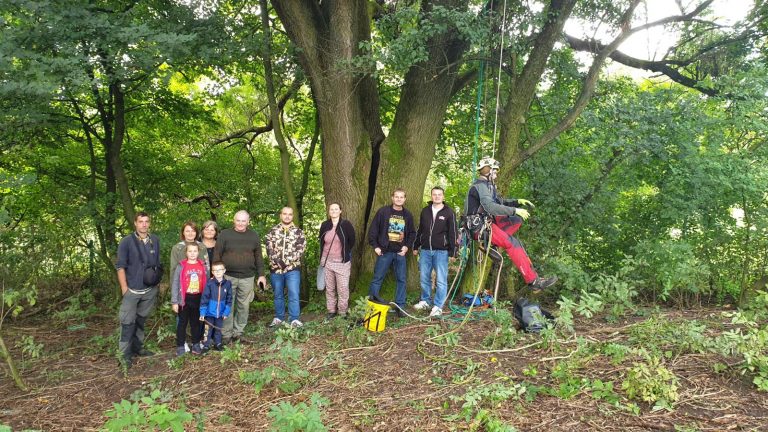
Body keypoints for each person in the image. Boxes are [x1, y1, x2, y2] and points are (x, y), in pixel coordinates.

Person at [464, 156, 557, 291]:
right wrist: (515, 210)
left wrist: (517, 202)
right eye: (495, 172)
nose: (496, 175)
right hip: (479, 228)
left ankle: (492, 245)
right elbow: (491, 207)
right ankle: (533, 282)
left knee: (516, 220)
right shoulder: (480, 187)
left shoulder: (488, 186)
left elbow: (499, 202)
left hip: (486, 223)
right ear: (488, 171)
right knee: (513, 243)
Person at [213, 210, 267, 344]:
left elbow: (258, 257)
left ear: (248, 222)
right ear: (234, 220)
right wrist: (216, 273)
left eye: (243, 221)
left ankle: (238, 333)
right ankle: (226, 335)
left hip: (247, 277)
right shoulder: (225, 234)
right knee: (227, 305)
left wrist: (261, 275)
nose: (241, 223)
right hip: (227, 276)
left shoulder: (253, 236)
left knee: (244, 306)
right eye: (238, 220)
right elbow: (217, 254)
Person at [116, 212, 160, 368]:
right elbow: (120, 267)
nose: (144, 224)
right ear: (135, 223)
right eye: (141, 221)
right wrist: (124, 288)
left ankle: (138, 348)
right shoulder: (126, 242)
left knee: (141, 320)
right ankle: (124, 356)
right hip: (132, 290)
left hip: (149, 290)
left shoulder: (154, 240)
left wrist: (156, 284)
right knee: (127, 323)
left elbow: (156, 264)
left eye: (146, 221)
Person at [367, 188, 416, 317]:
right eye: (396, 196)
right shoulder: (383, 212)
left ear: (405, 199)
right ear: (392, 198)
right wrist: (376, 246)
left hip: (400, 253)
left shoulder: (407, 215)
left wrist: (406, 247)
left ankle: (400, 307)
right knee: (377, 278)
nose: (399, 199)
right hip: (385, 252)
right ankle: (372, 305)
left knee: (402, 279)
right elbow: (373, 230)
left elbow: (412, 233)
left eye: (401, 197)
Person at [413, 186, 458, 317]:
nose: (437, 196)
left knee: (441, 280)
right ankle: (425, 301)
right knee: (424, 277)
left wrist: (453, 251)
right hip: (425, 250)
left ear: (443, 196)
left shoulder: (449, 212)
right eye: (434, 194)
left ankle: (438, 306)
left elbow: (453, 233)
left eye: (439, 194)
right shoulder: (425, 211)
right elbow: (420, 230)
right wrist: (415, 246)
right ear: (431, 196)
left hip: (441, 251)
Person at [265, 207, 307, 328]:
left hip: (292, 269)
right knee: (278, 294)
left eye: (290, 214)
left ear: (292, 216)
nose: (287, 216)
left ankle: (294, 319)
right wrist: (278, 261)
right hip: (276, 269)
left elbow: (300, 250)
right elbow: (269, 248)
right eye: (285, 214)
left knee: (293, 293)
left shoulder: (298, 232)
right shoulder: (272, 231)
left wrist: (286, 262)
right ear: (280, 215)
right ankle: (279, 318)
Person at [318, 203, 356, 320]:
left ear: (340, 211)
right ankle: (331, 310)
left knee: (343, 288)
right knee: (330, 288)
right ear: (329, 211)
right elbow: (321, 241)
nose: (334, 211)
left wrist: (344, 253)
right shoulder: (325, 225)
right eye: (331, 209)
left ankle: (342, 311)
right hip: (327, 261)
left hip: (341, 262)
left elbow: (352, 240)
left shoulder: (346, 225)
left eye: (336, 209)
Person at [171, 242, 207, 356]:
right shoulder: (181, 266)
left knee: (195, 322)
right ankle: (180, 345)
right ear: (186, 253)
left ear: (198, 252)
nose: (192, 253)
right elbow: (175, 283)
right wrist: (174, 301)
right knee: (182, 322)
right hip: (184, 299)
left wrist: (206, 300)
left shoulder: (202, 265)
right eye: (190, 251)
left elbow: (206, 283)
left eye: (195, 251)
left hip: (198, 298)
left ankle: (196, 344)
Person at [199, 261, 233, 352]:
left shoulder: (228, 284)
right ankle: (206, 345)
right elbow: (204, 298)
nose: (217, 272)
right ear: (212, 272)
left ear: (224, 271)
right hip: (209, 313)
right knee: (207, 329)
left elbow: (229, 299)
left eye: (220, 270)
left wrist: (226, 312)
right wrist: (202, 313)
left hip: (220, 313)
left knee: (218, 329)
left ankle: (218, 343)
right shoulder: (209, 283)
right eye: (215, 270)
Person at [169, 221, 209, 289]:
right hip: (182, 285)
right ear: (183, 233)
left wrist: (207, 286)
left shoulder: (202, 247)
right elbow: (173, 269)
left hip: (200, 285)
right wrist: (173, 288)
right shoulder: (177, 248)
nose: (190, 233)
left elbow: (207, 267)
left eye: (193, 231)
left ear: (196, 233)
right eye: (187, 231)